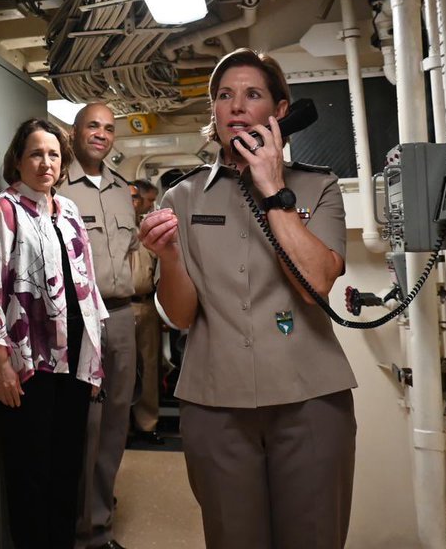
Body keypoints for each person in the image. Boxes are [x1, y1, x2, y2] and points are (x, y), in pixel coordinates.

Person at [139, 48, 356, 549]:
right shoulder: (183, 197)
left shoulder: (319, 188)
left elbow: (315, 283)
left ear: (281, 112)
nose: (235, 105)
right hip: (215, 406)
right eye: (224, 96)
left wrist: (274, 188)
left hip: (311, 399)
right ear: (213, 113)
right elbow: (180, 316)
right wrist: (170, 258)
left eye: (252, 94)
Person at [0, 118, 109, 549]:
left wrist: (94, 364)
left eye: (54, 154)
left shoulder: (70, 212)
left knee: (66, 475)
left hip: (75, 363)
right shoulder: (3, 209)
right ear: (19, 160)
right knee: (29, 479)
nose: (46, 162)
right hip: (26, 369)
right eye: (36, 153)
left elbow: (87, 287)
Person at [62, 104, 138, 549]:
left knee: (114, 422)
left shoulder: (120, 189)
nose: (101, 135)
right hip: (81, 319)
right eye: (92, 126)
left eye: (109, 129)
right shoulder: (59, 186)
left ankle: (100, 526)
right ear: (75, 132)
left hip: (123, 316)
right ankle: (78, 530)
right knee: (85, 425)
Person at [128, 179, 163, 447]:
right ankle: (121, 424)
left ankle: (147, 424)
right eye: (149, 200)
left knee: (149, 366)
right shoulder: (117, 228)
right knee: (120, 370)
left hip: (147, 303)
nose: (152, 205)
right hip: (118, 304)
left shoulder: (149, 230)